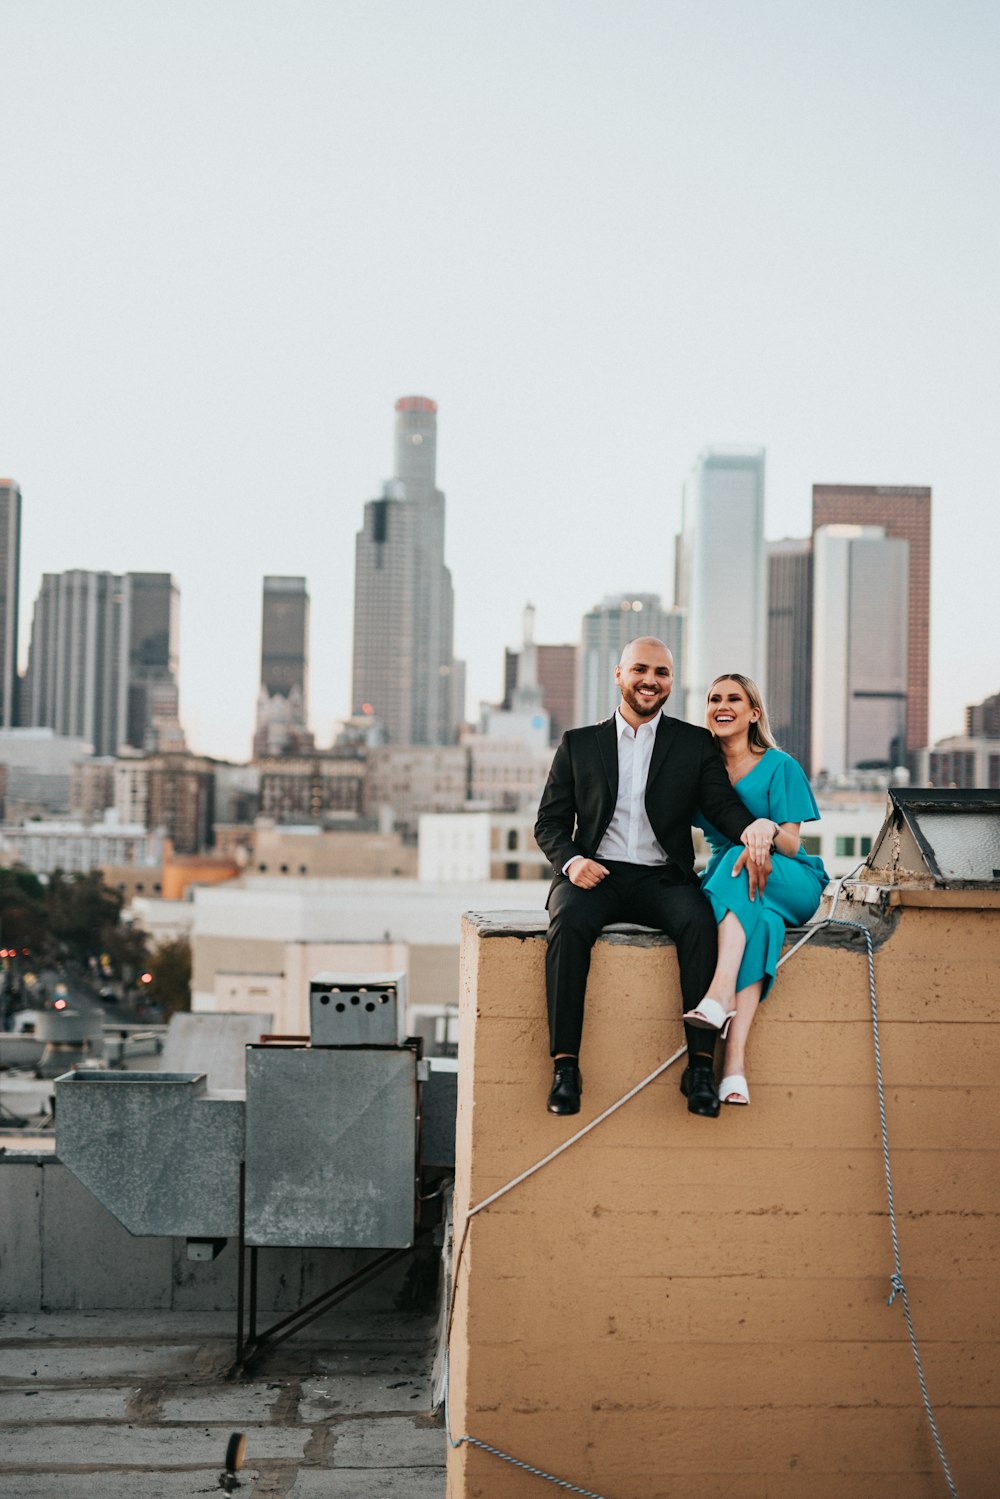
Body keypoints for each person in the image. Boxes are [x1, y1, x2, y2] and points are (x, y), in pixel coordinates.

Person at [533, 638, 778, 1120]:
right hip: (593, 873)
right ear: (619, 674)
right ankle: (566, 1068)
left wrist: (753, 826)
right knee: (567, 927)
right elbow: (549, 823)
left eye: (662, 672)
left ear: (671, 681)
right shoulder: (579, 743)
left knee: (700, 922)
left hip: (662, 878)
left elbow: (721, 804)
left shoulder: (693, 743)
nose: (651, 680)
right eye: (640, 669)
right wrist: (571, 862)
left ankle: (701, 1069)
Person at [685, 673, 829, 1106]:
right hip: (739, 889)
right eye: (714, 698)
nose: (722, 705)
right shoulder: (699, 767)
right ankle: (734, 1068)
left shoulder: (780, 765)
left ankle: (718, 993)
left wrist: (763, 826)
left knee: (737, 856)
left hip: (790, 879)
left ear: (753, 713)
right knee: (763, 925)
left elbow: (790, 842)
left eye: (734, 698)